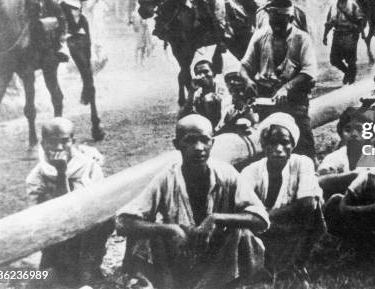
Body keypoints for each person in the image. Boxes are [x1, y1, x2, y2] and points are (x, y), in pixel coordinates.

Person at [116, 115, 269, 289]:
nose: (198, 148)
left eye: (204, 140)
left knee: (242, 233)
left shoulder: (227, 174)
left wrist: (215, 219)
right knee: (150, 235)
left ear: (212, 143)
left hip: (217, 256)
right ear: (176, 144)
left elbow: (261, 219)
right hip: (179, 256)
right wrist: (170, 229)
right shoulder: (167, 178)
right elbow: (123, 222)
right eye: (190, 141)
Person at [26, 118, 112, 285]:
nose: (59, 148)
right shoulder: (36, 178)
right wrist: (61, 173)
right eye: (52, 142)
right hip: (56, 240)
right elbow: (60, 216)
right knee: (50, 279)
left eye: (64, 141)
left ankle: (89, 268)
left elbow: (100, 207)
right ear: (43, 144)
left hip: (88, 233)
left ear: (73, 141)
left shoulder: (89, 166)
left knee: (107, 219)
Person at [241, 113, 324, 279]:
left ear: (292, 145)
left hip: (294, 225)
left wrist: (265, 216)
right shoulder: (252, 171)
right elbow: (241, 206)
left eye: (285, 143)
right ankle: (266, 265)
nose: (278, 149)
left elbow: (307, 204)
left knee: (314, 210)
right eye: (272, 143)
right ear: (264, 145)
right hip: (264, 230)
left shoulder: (302, 163)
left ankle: (297, 264)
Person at [240, 0, 317, 159]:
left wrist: (286, 88)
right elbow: (244, 66)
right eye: (272, 22)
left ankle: (310, 165)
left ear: (290, 19)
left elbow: (309, 73)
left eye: (280, 23)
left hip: (294, 100)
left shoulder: (302, 39)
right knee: (268, 141)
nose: (275, 27)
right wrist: (247, 80)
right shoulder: (260, 36)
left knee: (304, 141)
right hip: (265, 98)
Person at [317, 107, 375, 198]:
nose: (353, 134)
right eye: (348, 130)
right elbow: (320, 180)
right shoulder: (335, 157)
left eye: (359, 129)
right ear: (341, 134)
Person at [323, 0, 365, 84]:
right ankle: (347, 72)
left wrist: (361, 32)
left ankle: (351, 81)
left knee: (351, 61)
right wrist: (324, 36)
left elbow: (360, 20)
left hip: (350, 34)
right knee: (334, 60)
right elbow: (328, 23)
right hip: (337, 34)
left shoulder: (352, 4)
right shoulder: (333, 6)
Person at [61, 1, 95, 106]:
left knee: (87, 71)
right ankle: (87, 95)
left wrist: (89, 52)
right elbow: (65, 36)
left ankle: (86, 95)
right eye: (74, 9)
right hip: (74, 47)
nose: (77, 11)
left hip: (84, 45)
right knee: (85, 70)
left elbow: (88, 37)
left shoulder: (83, 19)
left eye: (78, 9)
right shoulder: (67, 20)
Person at [178, 59, 228, 128]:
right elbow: (183, 115)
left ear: (213, 73)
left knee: (209, 99)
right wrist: (191, 93)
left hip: (223, 126)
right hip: (206, 127)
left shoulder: (223, 88)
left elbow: (225, 113)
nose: (202, 75)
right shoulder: (197, 92)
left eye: (206, 72)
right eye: (198, 73)